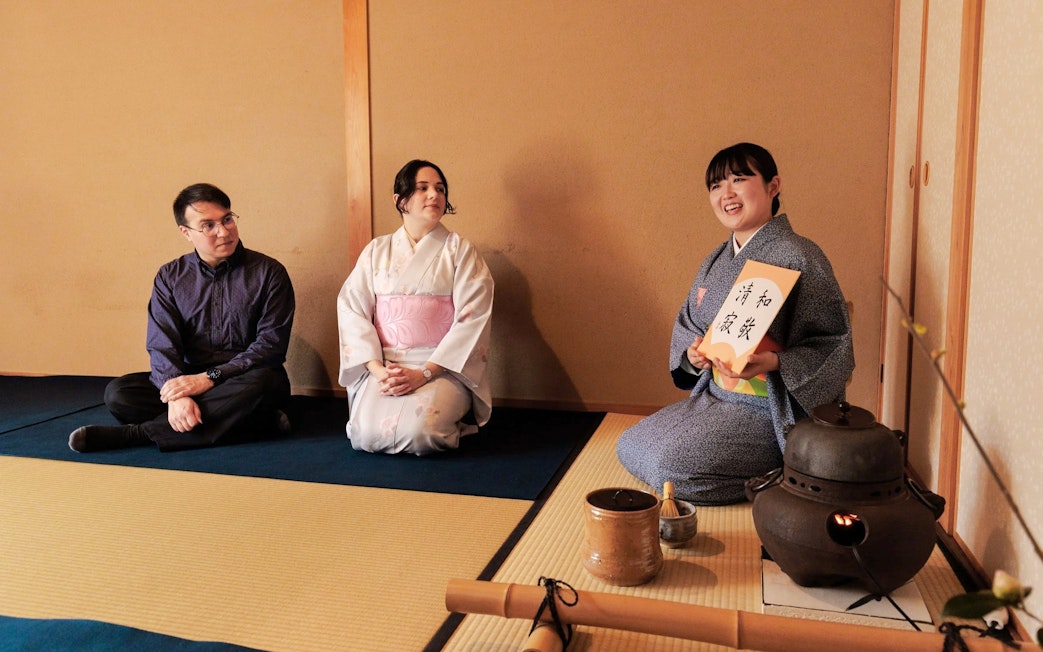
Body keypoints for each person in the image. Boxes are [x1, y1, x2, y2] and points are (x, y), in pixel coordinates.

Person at [616, 143, 854, 505]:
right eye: (715, 186)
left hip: (771, 409)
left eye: (739, 180)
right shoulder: (715, 259)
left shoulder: (800, 254)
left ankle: (784, 471)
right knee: (629, 444)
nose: (726, 194)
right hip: (714, 396)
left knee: (672, 470)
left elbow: (833, 341)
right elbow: (690, 325)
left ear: (773, 186)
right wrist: (693, 356)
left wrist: (774, 362)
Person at [69, 183, 296, 453]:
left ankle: (138, 435)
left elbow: (270, 347)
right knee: (120, 393)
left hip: (244, 378)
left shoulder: (269, 273)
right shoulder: (170, 276)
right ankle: (257, 424)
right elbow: (161, 343)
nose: (224, 231)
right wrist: (179, 393)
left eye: (227, 219)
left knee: (264, 384)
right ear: (186, 233)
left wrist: (210, 378)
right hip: (189, 378)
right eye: (208, 225)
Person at [337, 159, 494, 455]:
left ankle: (457, 420)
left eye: (440, 188)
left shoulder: (460, 251)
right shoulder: (376, 251)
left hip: (441, 366)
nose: (434, 195)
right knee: (364, 435)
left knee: (424, 433)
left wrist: (424, 373)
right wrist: (377, 369)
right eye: (422, 188)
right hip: (387, 366)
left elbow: (472, 319)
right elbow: (352, 310)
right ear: (400, 200)